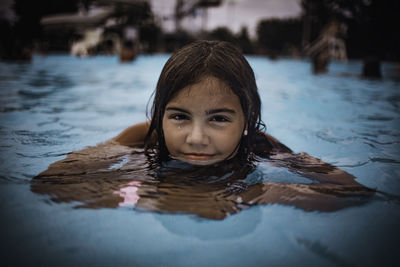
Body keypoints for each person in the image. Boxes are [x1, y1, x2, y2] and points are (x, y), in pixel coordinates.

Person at [33, 40, 373, 220]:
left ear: (247, 120)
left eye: (219, 119)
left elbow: (352, 192)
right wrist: (140, 196)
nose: (196, 138)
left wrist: (257, 194)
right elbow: (51, 183)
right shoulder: (141, 137)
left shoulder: (264, 148)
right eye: (179, 117)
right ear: (159, 114)